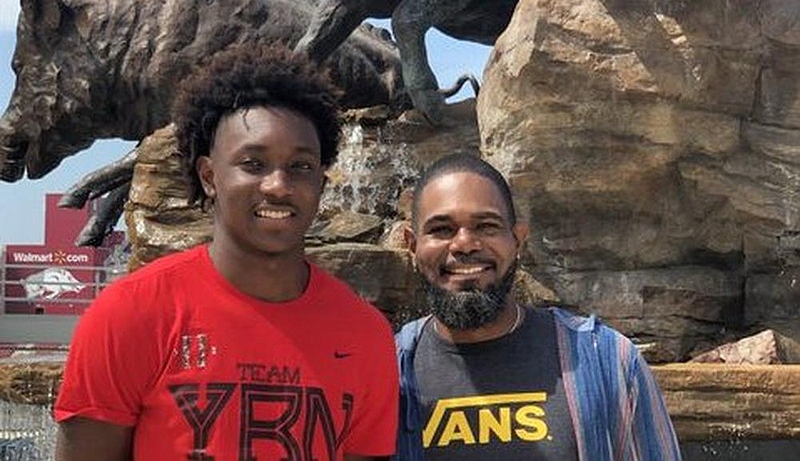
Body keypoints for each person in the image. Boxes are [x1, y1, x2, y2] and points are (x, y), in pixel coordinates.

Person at [55, 44, 398, 461]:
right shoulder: (129, 315)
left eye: (301, 166)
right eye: (253, 163)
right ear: (209, 176)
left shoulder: (366, 335)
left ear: (321, 185)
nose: (277, 185)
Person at [394, 152, 681, 460]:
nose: (464, 244)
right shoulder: (386, 370)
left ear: (518, 239)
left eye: (486, 226)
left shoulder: (608, 361)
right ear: (412, 245)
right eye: (442, 229)